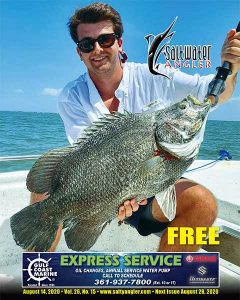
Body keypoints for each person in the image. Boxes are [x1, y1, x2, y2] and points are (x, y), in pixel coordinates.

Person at [31, 2, 239, 252]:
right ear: (79, 52)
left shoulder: (157, 76)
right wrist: (117, 196)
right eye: (87, 44)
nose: (97, 49)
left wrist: (232, 67)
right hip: (98, 190)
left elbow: (212, 93)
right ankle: (39, 277)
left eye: (106, 40)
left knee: (202, 203)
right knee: (44, 197)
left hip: (154, 182)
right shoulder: (71, 97)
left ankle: (164, 281)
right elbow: (83, 155)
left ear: (120, 43)